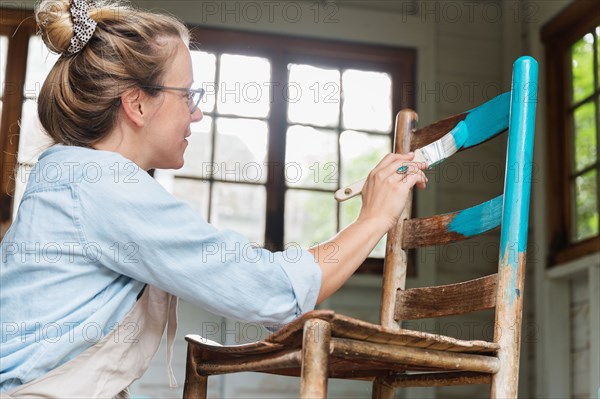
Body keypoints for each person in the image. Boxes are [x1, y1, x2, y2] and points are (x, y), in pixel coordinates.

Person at [0, 0, 428, 397]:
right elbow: (273, 291)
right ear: (137, 104)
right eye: (187, 95)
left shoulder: (73, 173)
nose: (197, 112)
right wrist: (372, 219)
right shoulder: (103, 184)